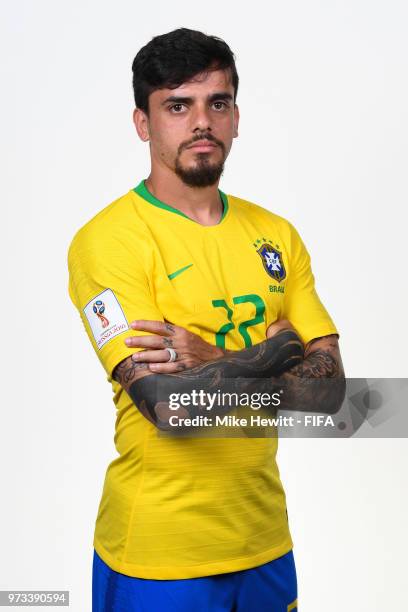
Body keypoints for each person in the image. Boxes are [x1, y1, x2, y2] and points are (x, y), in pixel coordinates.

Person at [68, 27, 345, 612]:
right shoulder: (109, 242)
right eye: (177, 105)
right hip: (159, 560)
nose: (202, 122)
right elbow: (170, 406)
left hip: (265, 544)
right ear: (144, 123)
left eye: (216, 103)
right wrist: (281, 350)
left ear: (237, 117)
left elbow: (331, 395)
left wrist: (218, 360)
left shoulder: (276, 235)